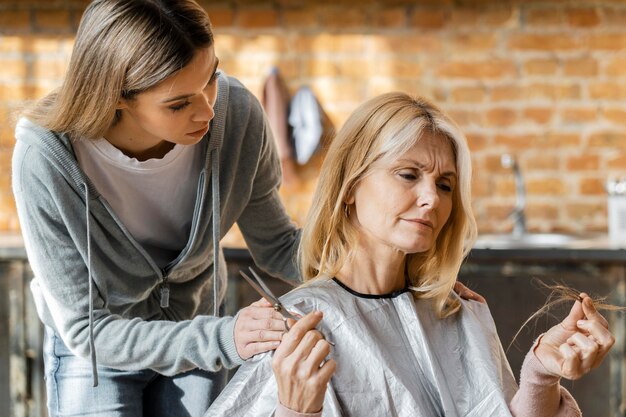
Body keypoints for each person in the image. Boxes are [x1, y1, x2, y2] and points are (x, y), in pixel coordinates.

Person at [205, 92, 615, 417]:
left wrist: (540, 374)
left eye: (445, 185)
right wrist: (296, 412)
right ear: (350, 185)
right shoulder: (296, 329)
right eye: (408, 174)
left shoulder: (460, 313)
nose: (431, 200)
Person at [11, 1, 304, 416]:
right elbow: (85, 328)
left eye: (212, 79)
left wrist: (377, 259)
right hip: (99, 347)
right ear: (117, 97)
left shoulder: (237, 117)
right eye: (179, 103)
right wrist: (223, 338)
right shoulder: (45, 158)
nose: (208, 110)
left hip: (196, 324)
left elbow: (278, 246)